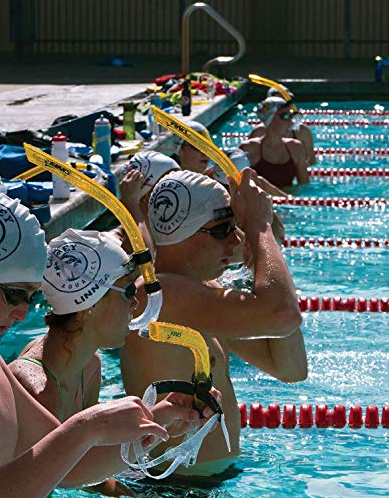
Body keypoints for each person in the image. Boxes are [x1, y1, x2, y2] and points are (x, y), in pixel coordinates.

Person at [0, 191, 203, 497]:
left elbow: (71, 468)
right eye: (14, 294)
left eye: (31, 297)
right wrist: (84, 427)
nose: (24, 312)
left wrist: (154, 424)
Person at [120, 169, 307, 479]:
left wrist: (261, 260)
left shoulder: (201, 294)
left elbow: (290, 369)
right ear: (183, 233)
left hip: (201, 483)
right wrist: (260, 228)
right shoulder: (160, 296)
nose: (235, 240)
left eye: (236, 228)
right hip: (174, 487)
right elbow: (283, 315)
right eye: (223, 230)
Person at [9, 227, 220, 495]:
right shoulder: (35, 387)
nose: (136, 304)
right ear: (90, 306)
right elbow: (67, 474)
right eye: (128, 292)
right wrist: (153, 423)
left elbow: (88, 459)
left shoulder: (89, 365)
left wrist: (166, 415)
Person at [117, 151, 180, 254]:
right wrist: (131, 202)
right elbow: (145, 262)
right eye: (169, 186)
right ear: (146, 195)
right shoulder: (114, 241)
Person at [240, 97, 310, 188]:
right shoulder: (249, 149)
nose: (290, 122)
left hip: (288, 201)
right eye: (285, 116)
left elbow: (304, 188)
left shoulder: (296, 147)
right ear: (270, 119)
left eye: (291, 116)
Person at [249, 86, 317, 165]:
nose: (284, 104)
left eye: (287, 100)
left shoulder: (302, 131)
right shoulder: (258, 132)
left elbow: (312, 161)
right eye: (279, 102)